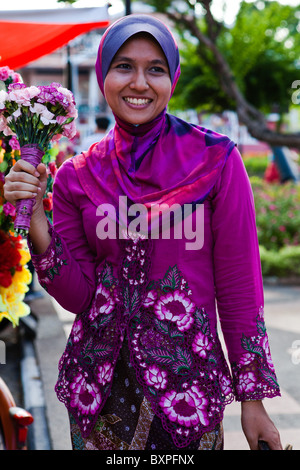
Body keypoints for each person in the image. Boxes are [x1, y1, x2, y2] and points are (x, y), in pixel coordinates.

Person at [4, 14, 282, 451]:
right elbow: (80, 297)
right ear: (103, 75)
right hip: (99, 399)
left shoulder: (216, 161)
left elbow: (239, 286)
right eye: (124, 66)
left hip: (187, 397)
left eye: (155, 68)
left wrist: (254, 398)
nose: (139, 83)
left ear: (171, 77)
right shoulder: (78, 175)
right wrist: (37, 221)